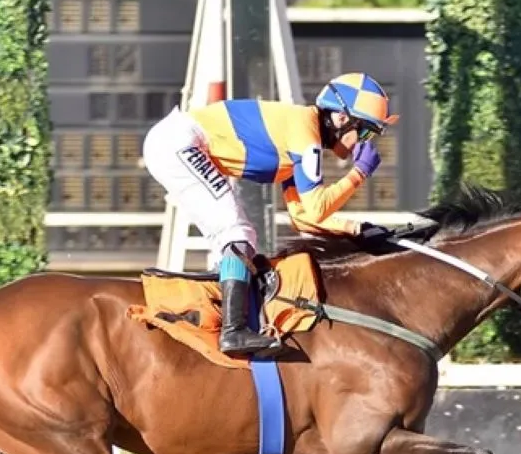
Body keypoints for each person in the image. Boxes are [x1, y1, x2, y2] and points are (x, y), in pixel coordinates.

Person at [141, 72, 399, 358]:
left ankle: (218, 315)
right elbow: (316, 208)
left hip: (177, 142)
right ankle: (233, 330)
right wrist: (359, 173)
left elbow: (303, 218)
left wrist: (357, 229)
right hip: (180, 143)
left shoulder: (303, 135)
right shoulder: (306, 135)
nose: (363, 142)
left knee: (233, 239)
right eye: (364, 132)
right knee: (237, 233)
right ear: (341, 118)